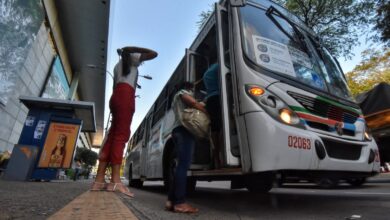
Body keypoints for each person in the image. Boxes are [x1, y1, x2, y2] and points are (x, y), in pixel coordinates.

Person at [91, 46, 158, 197]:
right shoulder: (132, 60)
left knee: (112, 136)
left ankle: (99, 180)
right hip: (125, 96)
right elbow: (154, 54)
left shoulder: (117, 66)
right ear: (131, 55)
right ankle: (115, 181)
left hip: (115, 97)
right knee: (121, 136)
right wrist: (132, 48)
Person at [165, 82, 206, 213]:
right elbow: (193, 103)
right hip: (184, 130)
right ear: (187, 88)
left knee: (179, 167)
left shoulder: (175, 98)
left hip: (178, 131)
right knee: (183, 166)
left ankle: (171, 201)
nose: (193, 91)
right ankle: (180, 203)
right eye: (191, 88)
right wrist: (206, 112)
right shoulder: (182, 94)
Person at [202, 63, 222, 169]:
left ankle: (215, 158)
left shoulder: (207, 73)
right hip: (217, 97)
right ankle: (219, 157)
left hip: (210, 100)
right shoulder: (219, 66)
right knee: (223, 127)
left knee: (215, 129)